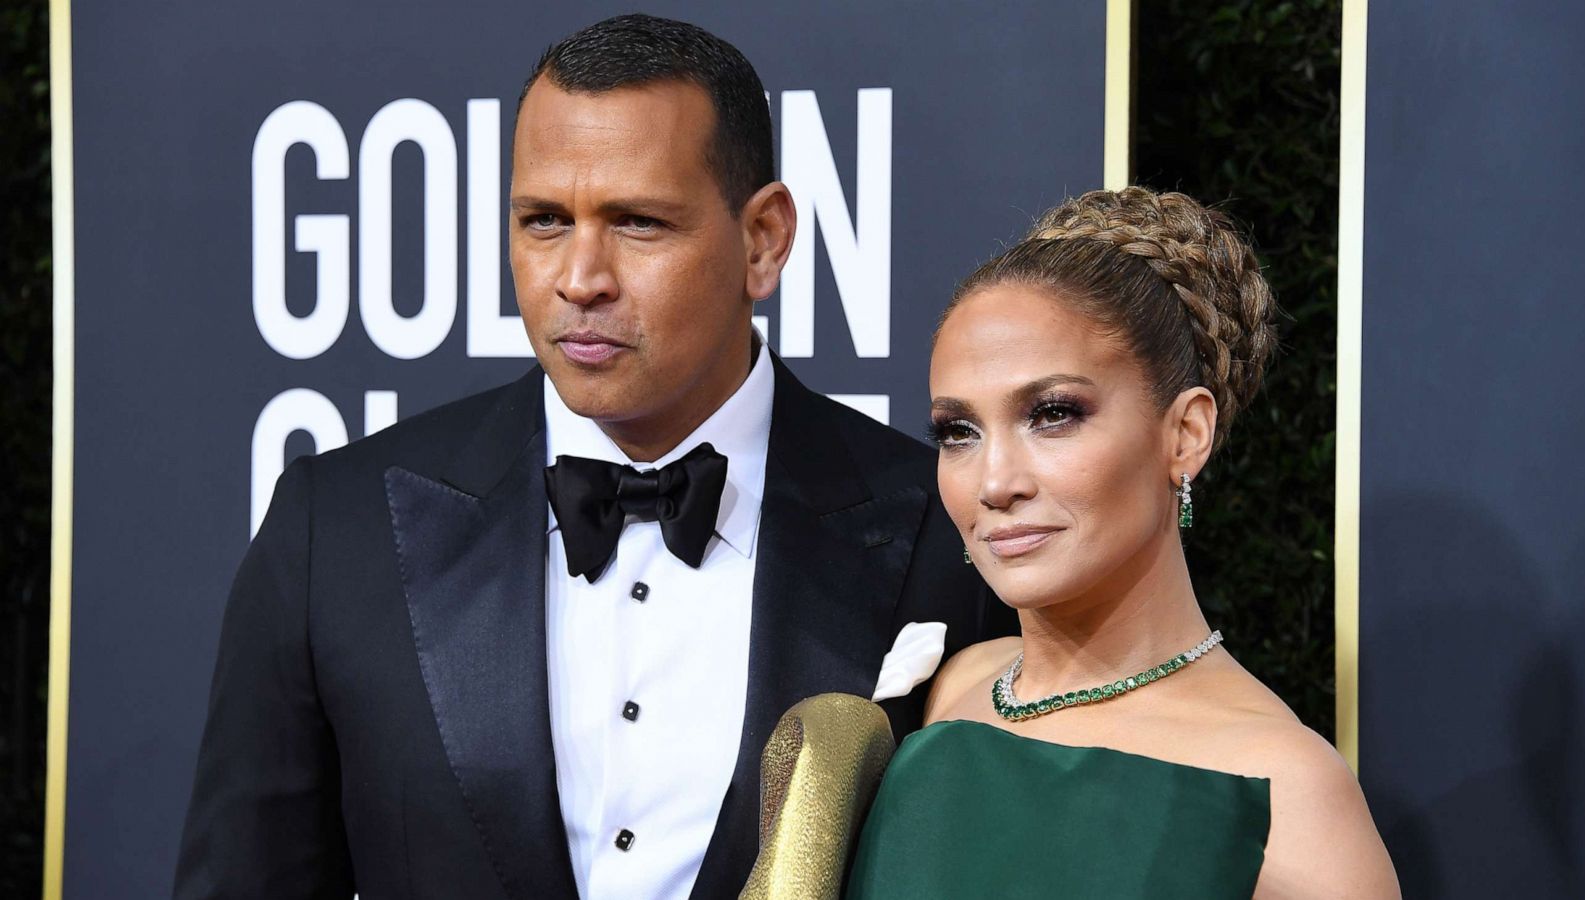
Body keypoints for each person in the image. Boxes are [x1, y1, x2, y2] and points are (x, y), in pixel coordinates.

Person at [174, 14, 1006, 900]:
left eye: (638, 222)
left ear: (762, 240)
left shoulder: (952, 533)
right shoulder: (334, 528)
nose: (580, 277)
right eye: (543, 221)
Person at [842, 187, 1400, 898]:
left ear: (1185, 434)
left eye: (1053, 414)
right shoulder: (954, 689)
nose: (994, 481)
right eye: (958, 431)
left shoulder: (1285, 791)